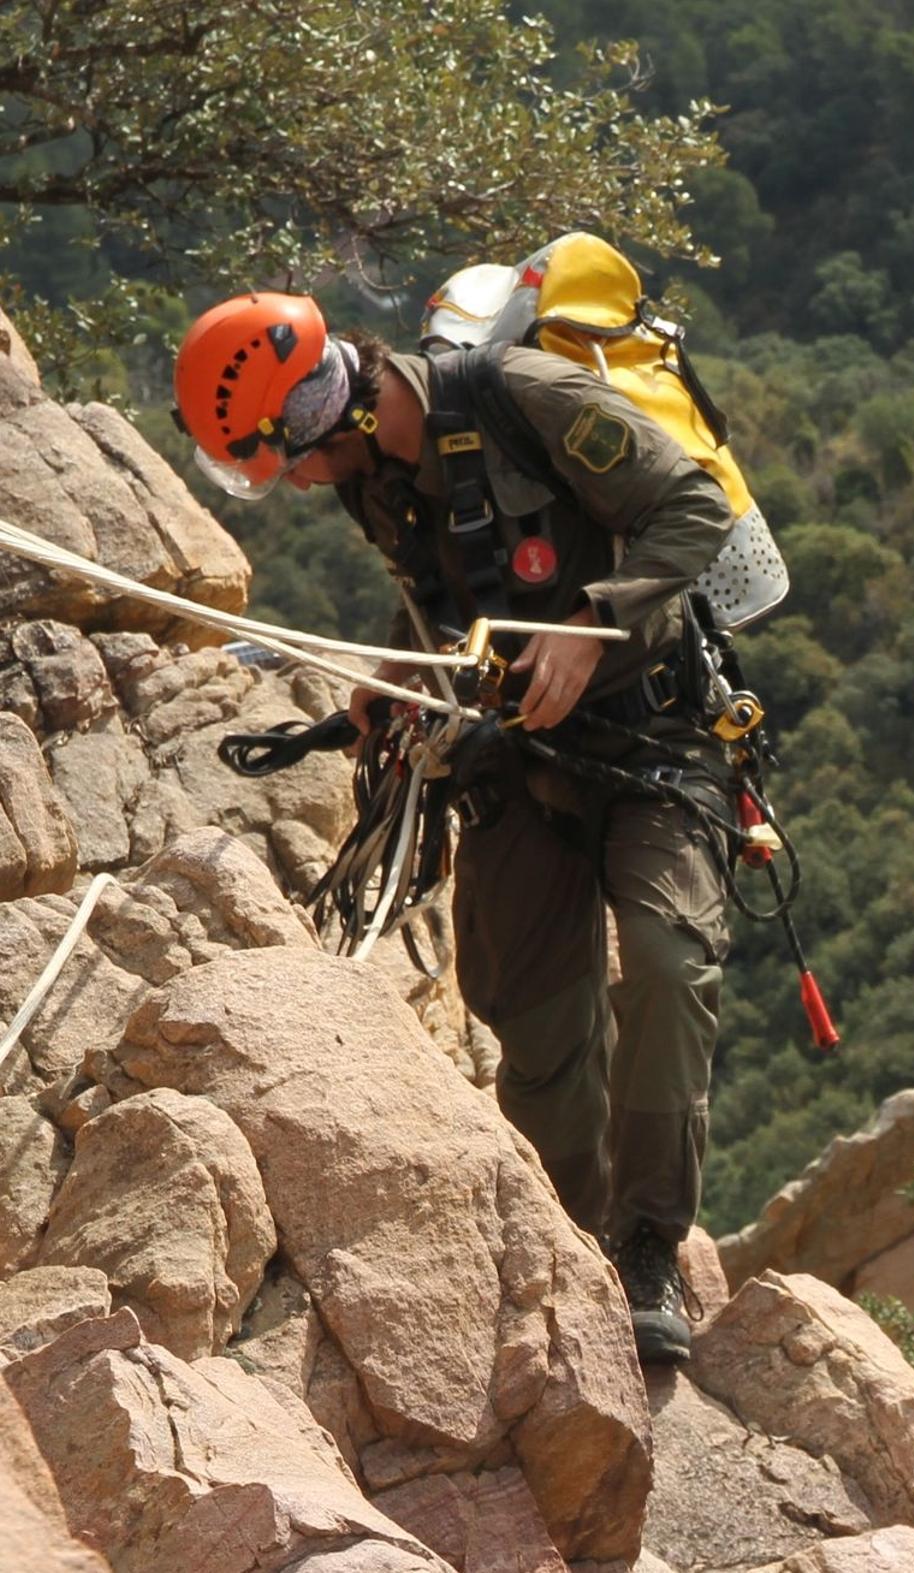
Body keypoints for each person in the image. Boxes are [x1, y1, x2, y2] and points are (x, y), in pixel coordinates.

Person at [173, 290, 737, 1363]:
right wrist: (395, 672)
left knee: (666, 966)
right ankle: (577, 1242)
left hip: (656, 741)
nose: (290, 483)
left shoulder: (526, 395)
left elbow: (694, 508)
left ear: (318, 413)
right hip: (518, 756)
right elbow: (445, 591)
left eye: (281, 458)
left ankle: (650, 1246)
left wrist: (592, 625)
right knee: (525, 1010)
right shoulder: (375, 479)